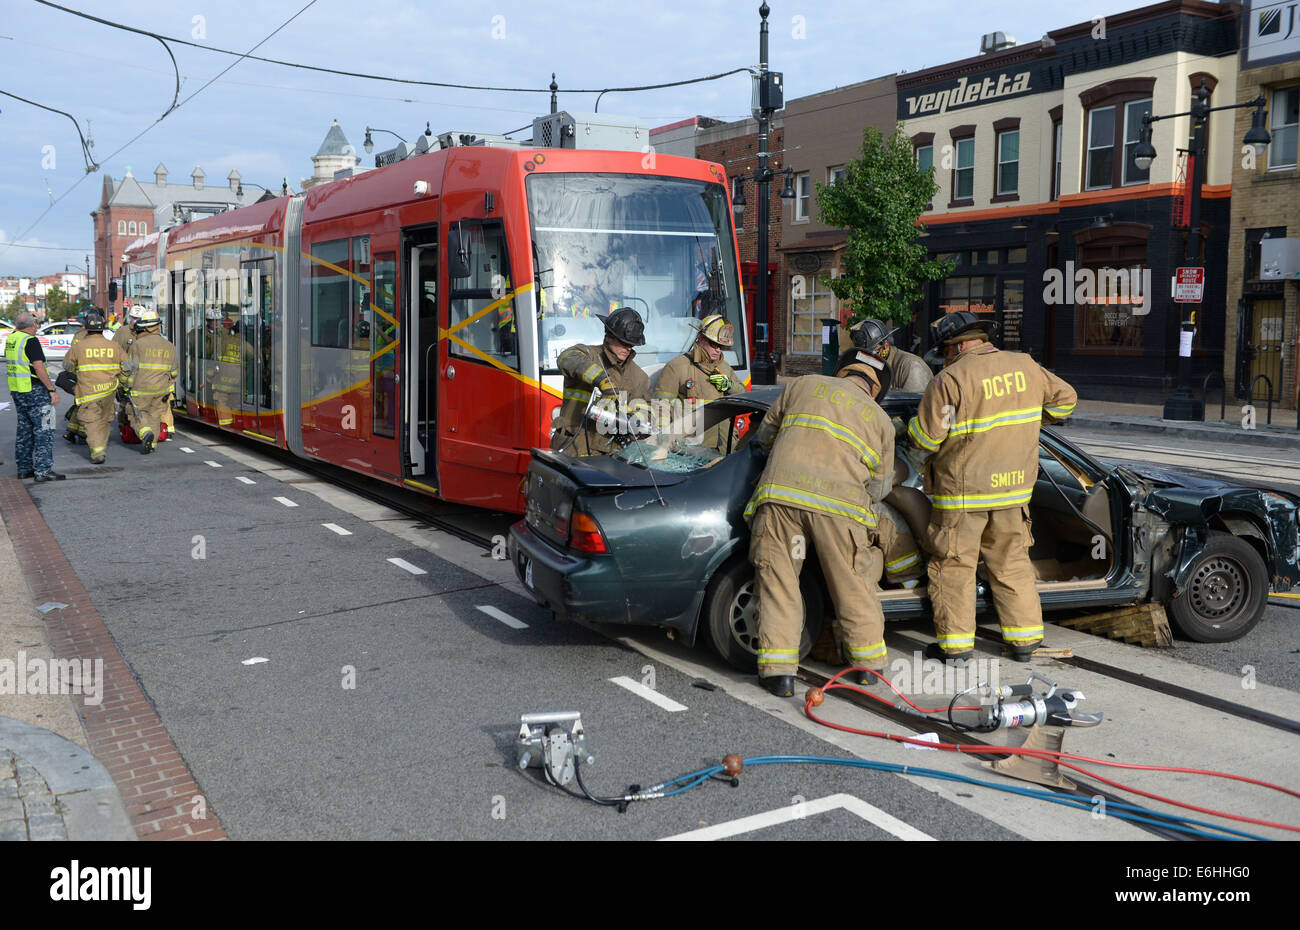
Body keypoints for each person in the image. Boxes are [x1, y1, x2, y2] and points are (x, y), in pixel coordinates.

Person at [906, 310, 1077, 664]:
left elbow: (926, 438)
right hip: (1014, 493)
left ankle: (955, 649)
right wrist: (1030, 422)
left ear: (958, 346)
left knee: (954, 567)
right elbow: (1067, 401)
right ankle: (1025, 642)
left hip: (963, 496)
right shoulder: (1027, 366)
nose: (946, 359)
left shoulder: (949, 380)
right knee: (1013, 564)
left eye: (946, 352)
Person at [743, 346, 895, 697]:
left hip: (781, 498)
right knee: (853, 587)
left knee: (779, 583)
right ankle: (868, 669)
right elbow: (880, 486)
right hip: (840, 510)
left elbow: (763, 439)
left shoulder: (802, 385)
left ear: (843, 370)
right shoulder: (881, 420)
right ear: (876, 388)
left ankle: (779, 675)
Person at [550, 308, 652, 457]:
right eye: (623, 342)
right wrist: (601, 380)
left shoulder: (639, 377)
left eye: (632, 344)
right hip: (571, 449)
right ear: (609, 335)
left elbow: (647, 414)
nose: (628, 348)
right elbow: (566, 358)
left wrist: (632, 420)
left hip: (611, 455)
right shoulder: (588, 355)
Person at [654, 313, 743, 452]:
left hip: (725, 445)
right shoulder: (677, 367)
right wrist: (666, 445)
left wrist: (730, 386)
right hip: (693, 449)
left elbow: (744, 395)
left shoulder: (724, 368)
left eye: (722, 346)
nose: (718, 350)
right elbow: (660, 408)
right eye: (714, 344)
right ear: (700, 339)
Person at [4, 311, 64, 480]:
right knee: (44, 429)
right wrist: (51, 389)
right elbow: (39, 368)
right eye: (35, 323)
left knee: (24, 430)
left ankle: (24, 468)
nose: (37, 326)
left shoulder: (12, 339)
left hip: (18, 390)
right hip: (34, 390)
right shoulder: (31, 341)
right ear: (32, 326)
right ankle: (43, 470)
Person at [60, 309, 122, 465]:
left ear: (87, 328)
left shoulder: (79, 346)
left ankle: (97, 452)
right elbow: (128, 366)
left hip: (88, 391)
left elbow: (67, 366)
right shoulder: (114, 346)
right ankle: (101, 446)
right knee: (105, 420)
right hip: (109, 391)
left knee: (91, 421)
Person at [121, 306, 177, 454]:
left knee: (134, 412)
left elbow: (128, 368)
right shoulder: (170, 346)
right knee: (155, 415)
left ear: (144, 327)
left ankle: (145, 433)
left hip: (141, 389)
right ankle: (151, 444)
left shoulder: (137, 345)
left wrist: (123, 383)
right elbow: (174, 372)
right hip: (162, 390)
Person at [849, 318, 934, 393]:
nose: (868, 360)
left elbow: (913, 406)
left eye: (872, 354)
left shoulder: (912, 367)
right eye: (863, 356)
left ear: (885, 346)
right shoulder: (875, 367)